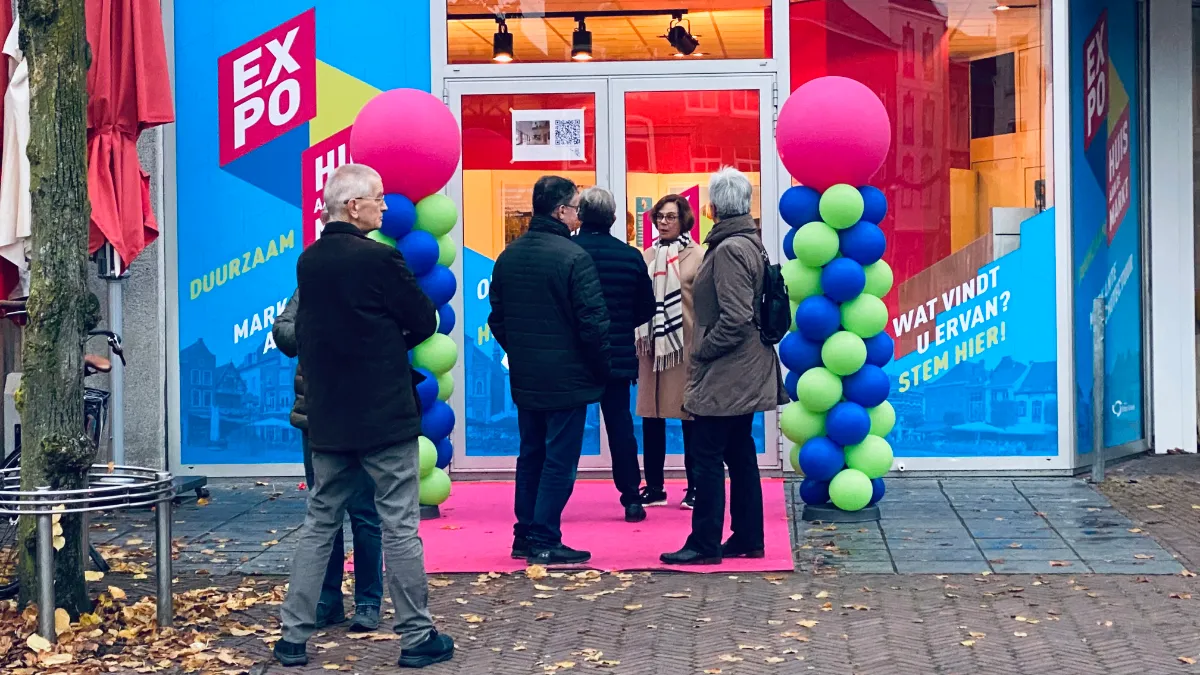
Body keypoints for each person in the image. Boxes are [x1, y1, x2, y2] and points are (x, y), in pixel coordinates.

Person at [275, 164, 454, 669]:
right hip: (382, 415)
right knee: (398, 525)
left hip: (329, 418)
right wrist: (385, 344)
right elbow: (423, 321)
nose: (385, 207)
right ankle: (417, 637)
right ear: (353, 206)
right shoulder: (381, 260)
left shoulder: (310, 263)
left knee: (319, 523)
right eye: (377, 199)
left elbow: (308, 331)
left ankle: (293, 637)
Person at [661, 167, 788, 566]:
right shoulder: (747, 241)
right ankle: (748, 536)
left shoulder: (731, 248)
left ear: (712, 207)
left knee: (707, 454)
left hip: (729, 370)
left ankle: (704, 542)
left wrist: (702, 351)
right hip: (744, 368)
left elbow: (734, 317)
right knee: (739, 452)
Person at [488, 175, 612, 566]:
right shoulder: (574, 257)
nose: (578, 215)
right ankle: (544, 536)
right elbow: (593, 323)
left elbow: (498, 318)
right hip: (567, 377)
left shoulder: (510, 255)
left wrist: (522, 351)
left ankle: (524, 534)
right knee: (559, 459)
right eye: (575, 207)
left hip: (528, 374)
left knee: (531, 455)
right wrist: (598, 368)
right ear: (560, 211)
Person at [274, 285, 384, 633]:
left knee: (365, 512)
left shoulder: (372, 279)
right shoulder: (311, 283)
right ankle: (328, 599)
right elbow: (283, 333)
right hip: (317, 414)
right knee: (325, 512)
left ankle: (368, 601)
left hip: (362, 412)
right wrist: (320, 328)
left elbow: (401, 332)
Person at [572, 187, 655, 523]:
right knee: (621, 427)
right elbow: (646, 308)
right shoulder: (630, 256)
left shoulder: (569, 252)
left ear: (580, 216)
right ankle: (632, 497)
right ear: (614, 218)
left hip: (574, 355)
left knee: (567, 428)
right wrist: (619, 325)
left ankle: (553, 499)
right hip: (617, 353)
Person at [635, 195, 704, 510]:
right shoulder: (647, 255)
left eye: (670, 217)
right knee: (652, 416)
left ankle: (695, 486)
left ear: (684, 220)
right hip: (651, 348)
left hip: (684, 347)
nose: (663, 222)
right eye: (659, 216)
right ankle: (654, 486)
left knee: (689, 418)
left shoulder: (698, 255)